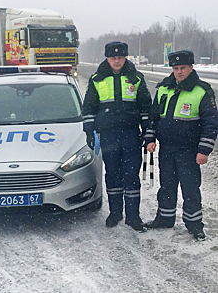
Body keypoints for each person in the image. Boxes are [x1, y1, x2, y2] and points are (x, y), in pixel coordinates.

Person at [145, 50, 218, 241]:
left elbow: (211, 123)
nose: (179, 72)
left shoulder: (202, 91)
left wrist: (204, 150)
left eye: (183, 68)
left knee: (190, 189)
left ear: (191, 67)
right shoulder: (163, 88)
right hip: (167, 149)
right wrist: (150, 139)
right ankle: (165, 219)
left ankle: (194, 225)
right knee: (167, 187)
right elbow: (154, 117)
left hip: (189, 151)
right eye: (176, 68)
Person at [82, 41, 151, 231]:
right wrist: (89, 131)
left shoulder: (136, 78)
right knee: (113, 175)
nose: (117, 61)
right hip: (108, 135)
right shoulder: (97, 79)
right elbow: (89, 108)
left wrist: (147, 131)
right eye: (113, 57)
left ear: (125, 57)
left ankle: (133, 216)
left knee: (131, 176)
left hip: (131, 134)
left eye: (120, 57)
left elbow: (145, 106)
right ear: (107, 58)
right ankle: (115, 213)